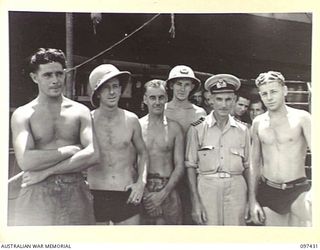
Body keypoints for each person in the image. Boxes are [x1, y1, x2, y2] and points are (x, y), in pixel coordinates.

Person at [10, 48, 99, 225]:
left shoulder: (80, 111)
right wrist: (70, 150)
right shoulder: (23, 114)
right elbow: (26, 160)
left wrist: (46, 171)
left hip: (75, 190)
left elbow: (93, 155)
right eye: (47, 75)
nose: (55, 81)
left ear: (65, 74)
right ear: (35, 78)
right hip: (36, 192)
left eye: (59, 74)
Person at [87, 64, 149, 225]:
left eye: (115, 86)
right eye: (106, 88)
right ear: (98, 92)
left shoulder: (131, 120)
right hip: (95, 193)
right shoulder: (87, 120)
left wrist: (141, 183)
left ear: (121, 89)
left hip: (126, 192)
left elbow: (143, 153)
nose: (112, 92)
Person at [185, 74, 250, 225]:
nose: (224, 104)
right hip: (207, 189)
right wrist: (195, 203)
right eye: (219, 99)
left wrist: (250, 200)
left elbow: (248, 167)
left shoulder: (243, 130)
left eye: (228, 99)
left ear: (234, 100)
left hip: (236, 189)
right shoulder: (197, 129)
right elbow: (190, 167)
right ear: (211, 100)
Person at [248, 71, 312, 226]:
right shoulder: (258, 123)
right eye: (264, 94)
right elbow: (254, 164)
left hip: (298, 190)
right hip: (270, 191)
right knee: (276, 242)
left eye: (273, 92)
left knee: (303, 241)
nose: (269, 98)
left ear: (284, 91)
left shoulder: (302, 118)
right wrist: (252, 200)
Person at [164, 65, 207, 225]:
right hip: (166, 173)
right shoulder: (162, 109)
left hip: (191, 174)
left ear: (192, 87)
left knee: (191, 218)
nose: (182, 89)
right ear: (170, 85)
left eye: (187, 84)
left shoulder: (200, 113)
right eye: (178, 84)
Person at [139, 79, 184, 225]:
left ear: (166, 99)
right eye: (152, 97)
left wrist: (162, 195)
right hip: (142, 190)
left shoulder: (175, 128)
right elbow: (131, 163)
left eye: (161, 97)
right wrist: (147, 196)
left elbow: (179, 165)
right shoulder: (137, 126)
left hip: (168, 189)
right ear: (145, 99)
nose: (157, 102)